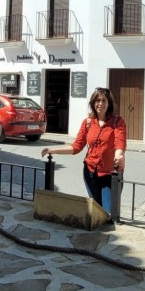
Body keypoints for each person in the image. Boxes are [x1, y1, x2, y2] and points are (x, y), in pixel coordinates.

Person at [41, 87, 126, 223]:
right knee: (96, 212)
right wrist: (53, 150)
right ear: (93, 103)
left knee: (108, 213)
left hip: (110, 174)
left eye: (104, 100)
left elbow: (119, 142)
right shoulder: (87, 123)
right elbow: (76, 146)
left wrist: (119, 155)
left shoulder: (117, 122)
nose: (100, 104)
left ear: (109, 103)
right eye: (97, 100)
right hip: (90, 172)